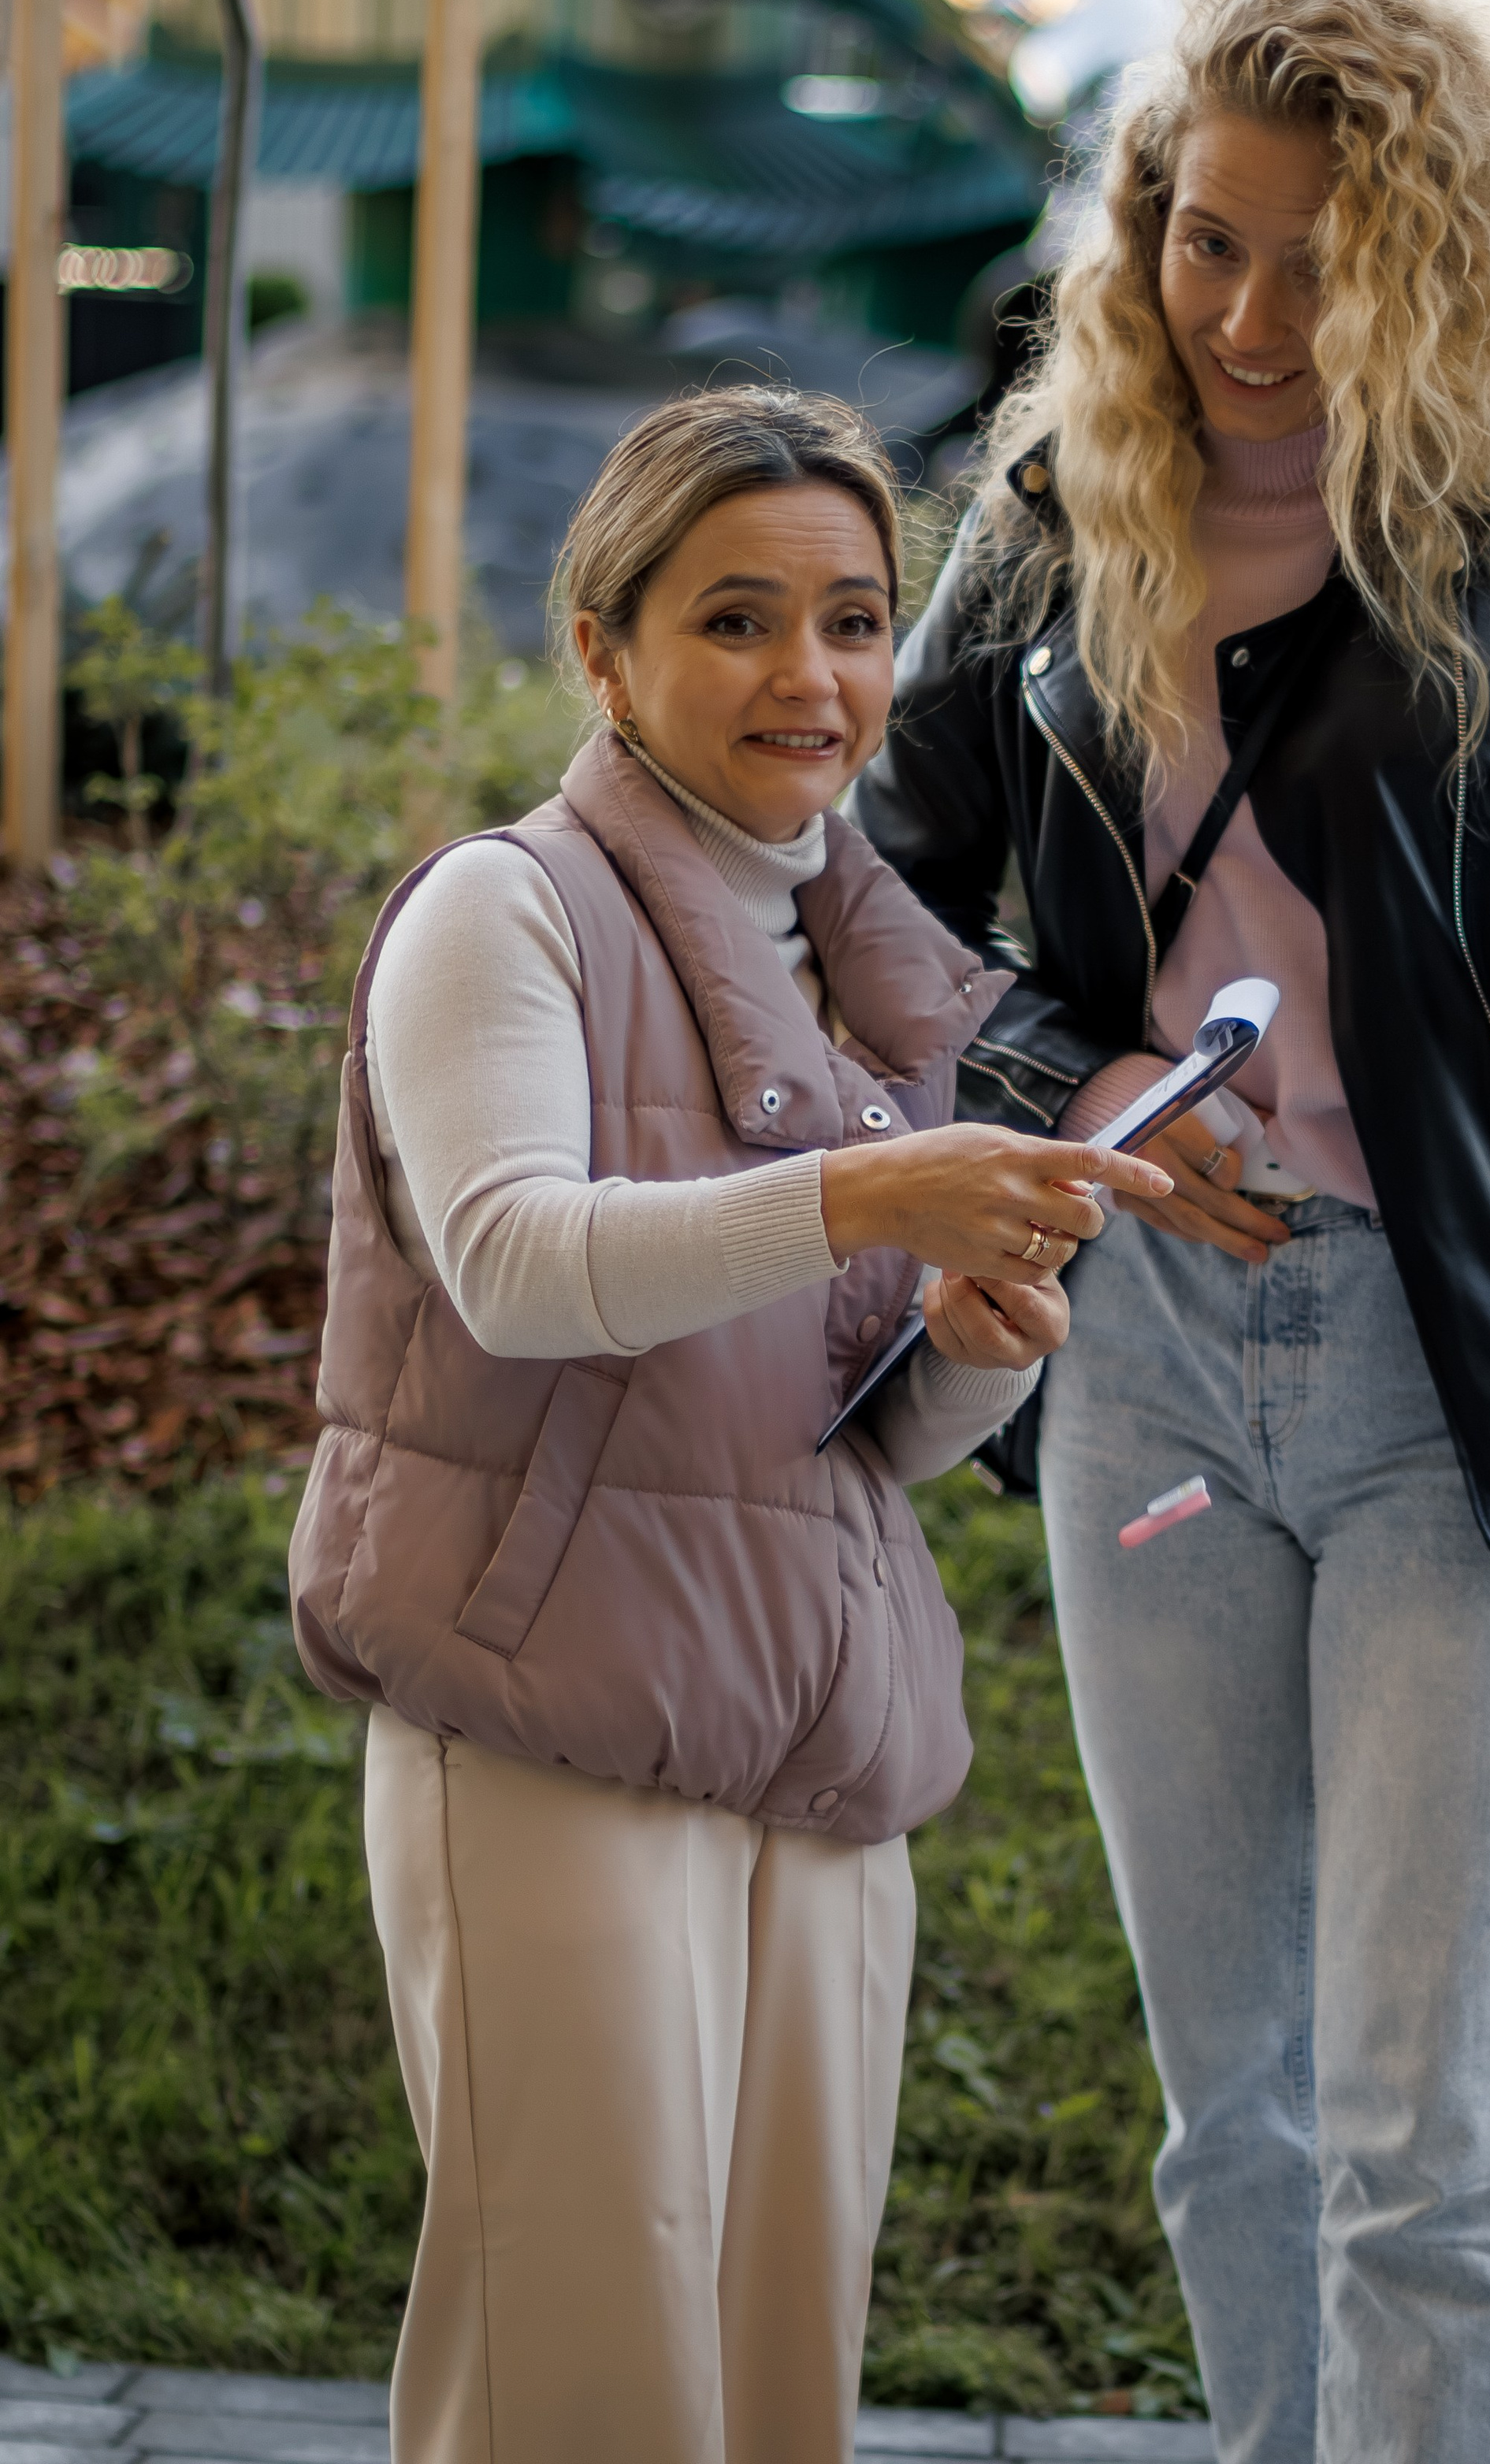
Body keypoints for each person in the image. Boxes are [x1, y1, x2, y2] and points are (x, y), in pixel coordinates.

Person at [854, 0, 1490, 2464]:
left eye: (1324, 259)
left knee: (1422, 2154)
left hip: (1458, 1366)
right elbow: (876, 902)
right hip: (1146, 1364)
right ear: (1144, 220)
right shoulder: (1057, 509)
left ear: (1440, 253)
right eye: (1209, 240)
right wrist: (1087, 1091)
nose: (1249, 317)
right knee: (1240, 2120)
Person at [288, 389, 1170, 2464]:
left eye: (855, 621)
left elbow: (844, 1429)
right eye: (739, 619)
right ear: (604, 652)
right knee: (582, 2379)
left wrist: (983, 1338)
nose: (812, 675)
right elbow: (517, 1266)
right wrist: (870, 1193)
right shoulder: (503, 912)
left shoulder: (869, 969)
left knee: (775, 2391)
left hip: (813, 1742)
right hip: (554, 1721)